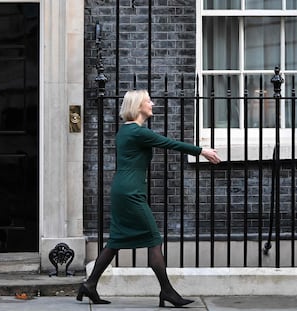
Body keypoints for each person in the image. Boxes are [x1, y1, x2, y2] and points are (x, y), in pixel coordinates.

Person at [76, 89, 221, 307]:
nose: (152, 103)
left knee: (115, 240)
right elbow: (170, 143)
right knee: (154, 239)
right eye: (148, 101)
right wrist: (202, 151)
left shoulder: (125, 131)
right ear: (138, 106)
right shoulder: (136, 132)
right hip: (131, 192)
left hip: (123, 189)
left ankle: (90, 284)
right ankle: (167, 291)